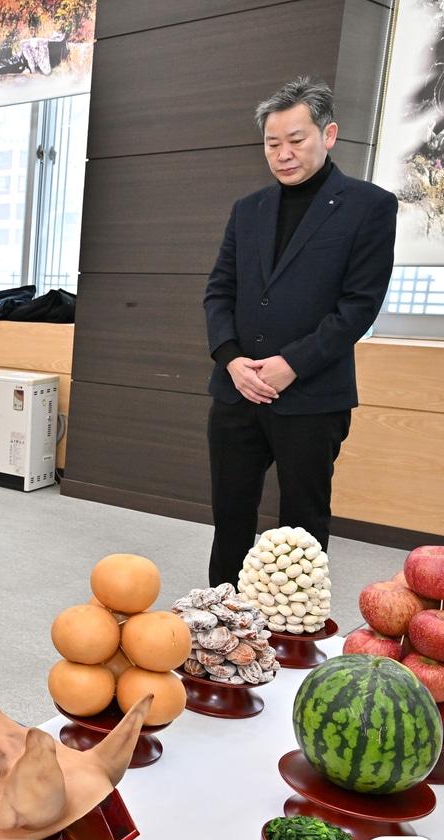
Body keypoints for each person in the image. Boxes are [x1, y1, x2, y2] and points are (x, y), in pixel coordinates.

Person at [204, 77, 396, 586]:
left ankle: (292, 640)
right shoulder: (249, 209)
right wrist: (231, 359)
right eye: (273, 143)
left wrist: (292, 364)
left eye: (296, 140)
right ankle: (223, 629)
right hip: (237, 389)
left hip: (312, 395)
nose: (284, 154)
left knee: (302, 531)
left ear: (328, 135)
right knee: (230, 522)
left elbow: (358, 307)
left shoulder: (370, 206)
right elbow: (219, 291)